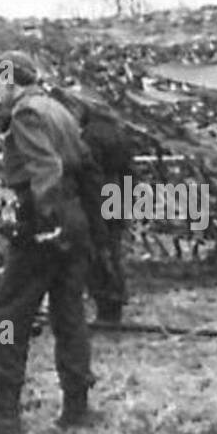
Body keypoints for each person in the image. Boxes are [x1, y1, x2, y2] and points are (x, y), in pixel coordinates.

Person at [0, 51, 97, 434]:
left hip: (42, 223)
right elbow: (84, 164)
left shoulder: (25, 114)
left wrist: (45, 221)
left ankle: (5, 413)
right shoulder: (60, 110)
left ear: (11, 81)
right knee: (69, 315)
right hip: (73, 220)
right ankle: (76, 407)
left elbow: (46, 169)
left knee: (5, 317)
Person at [79, 103, 134, 323]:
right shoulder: (119, 134)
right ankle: (115, 300)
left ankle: (106, 301)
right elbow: (130, 171)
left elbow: (89, 174)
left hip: (100, 194)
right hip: (118, 192)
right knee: (113, 248)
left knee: (98, 250)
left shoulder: (90, 136)